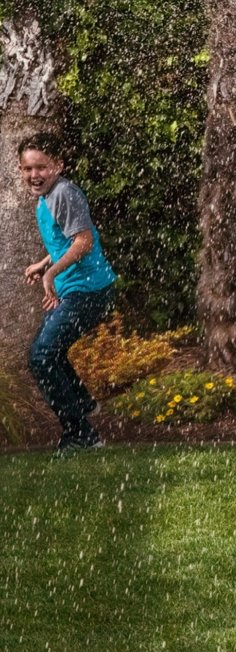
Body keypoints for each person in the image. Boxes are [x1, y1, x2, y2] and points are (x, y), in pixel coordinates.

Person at [19, 132, 117, 454]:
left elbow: (84, 241)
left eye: (41, 167)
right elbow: (67, 237)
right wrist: (44, 261)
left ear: (58, 165)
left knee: (42, 356)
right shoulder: (47, 198)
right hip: (80, 289)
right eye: (28, 168)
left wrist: (51, 273)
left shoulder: (64, 193)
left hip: (89, 291)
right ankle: (83, 405)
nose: (34, 175)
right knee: (49, 354)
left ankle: (81, 434)